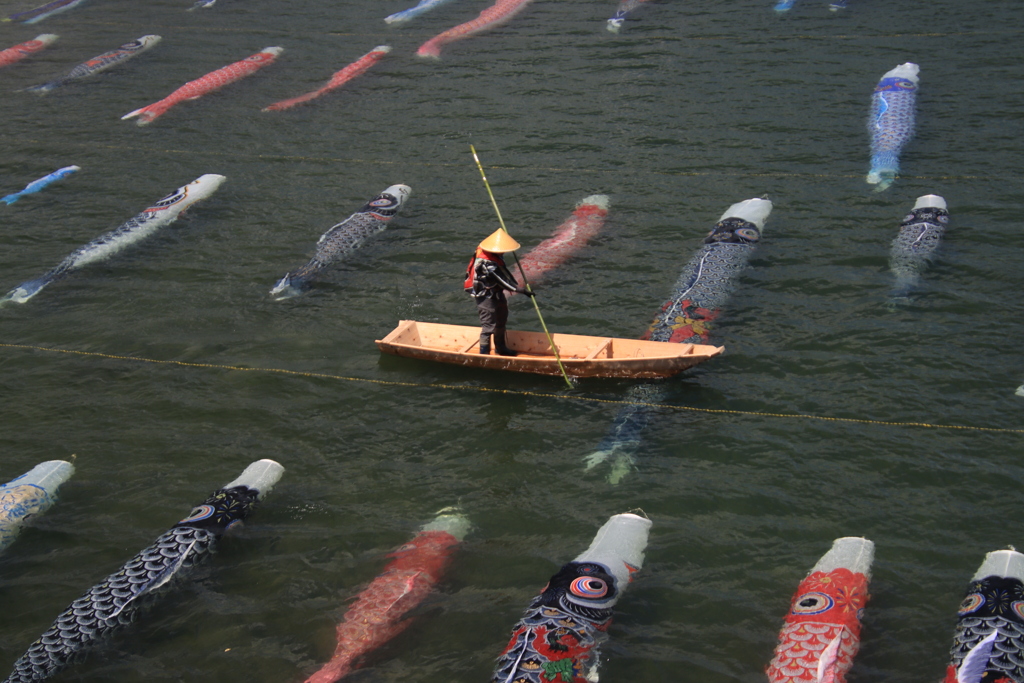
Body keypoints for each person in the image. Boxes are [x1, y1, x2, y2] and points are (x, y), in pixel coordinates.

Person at [464, 229, 535, 356]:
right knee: (488, 326)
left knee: (501, 319)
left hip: (496, 292)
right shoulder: (487, 264)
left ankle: (501, 348)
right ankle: (484, 353)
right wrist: (523, 291)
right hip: (485, 295)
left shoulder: (492, 253)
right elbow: (503, 281)